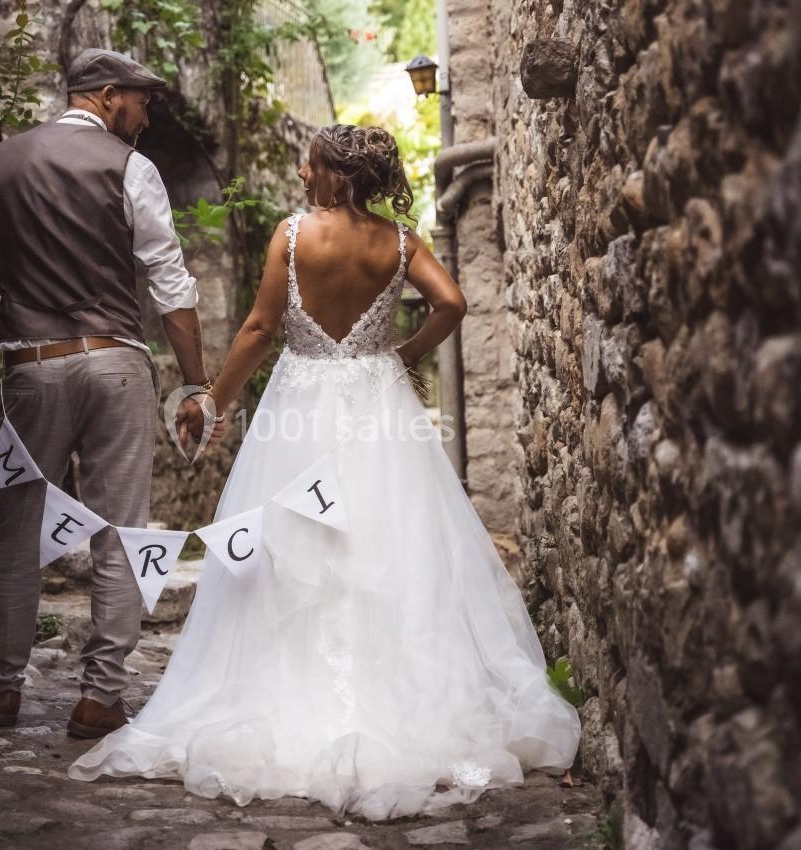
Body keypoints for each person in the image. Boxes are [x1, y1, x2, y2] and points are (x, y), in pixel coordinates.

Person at [67, 124, 582, 820]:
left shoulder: (292, 235)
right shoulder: (398, 242)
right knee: (386, 541)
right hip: (378, 402)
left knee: (289, 546)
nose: (303, 174)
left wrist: (211, 402)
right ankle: (393, 694)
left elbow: (257, 329)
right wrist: (401, 355)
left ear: (334, 175)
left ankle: (288, 690)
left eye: (311, 166)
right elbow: (452, 303)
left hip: (300, 406)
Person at [0, 48, 215, 738]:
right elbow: (169, 285)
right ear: (103, 94)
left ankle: (2, 690)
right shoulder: (131, 168)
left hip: (33, 368)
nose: (146, 113)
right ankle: (99, 698)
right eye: (140, 99)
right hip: (116, 364)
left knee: (18, 532)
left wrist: (13, 333)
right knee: (119, 532)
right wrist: (195, 381)